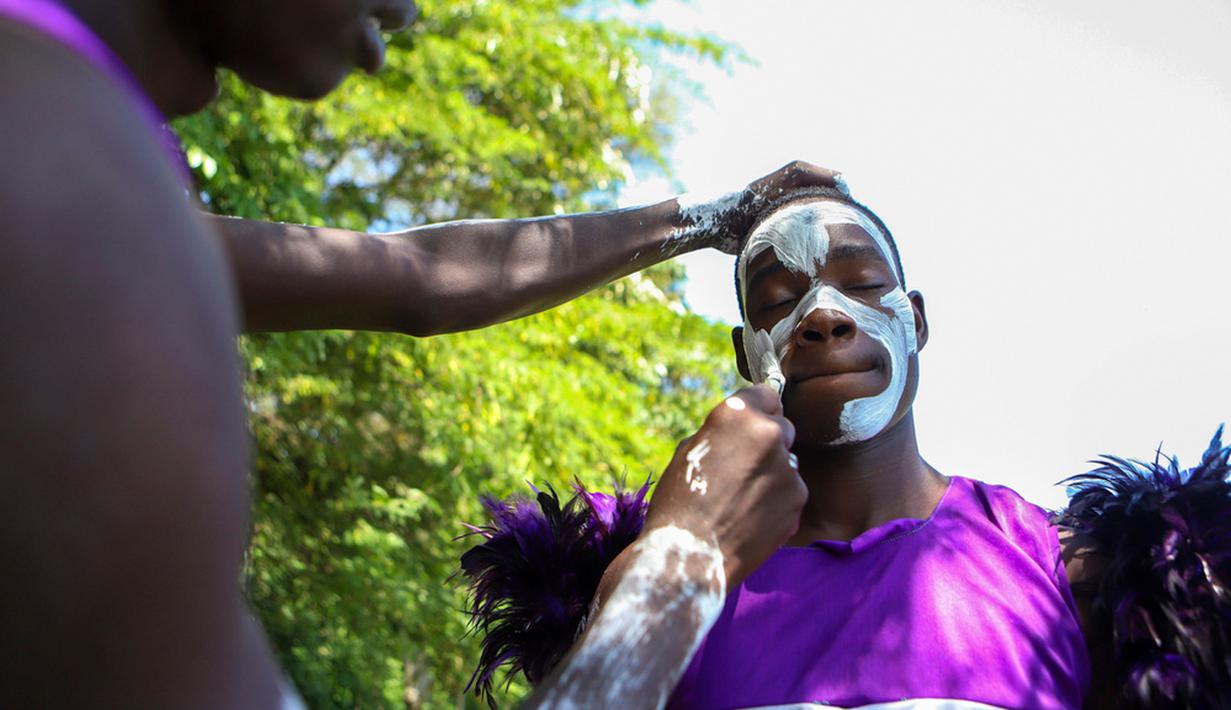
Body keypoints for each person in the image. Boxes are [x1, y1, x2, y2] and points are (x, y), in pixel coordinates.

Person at [0, 0, 839, 706]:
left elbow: (418, 279)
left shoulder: (73, 149)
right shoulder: (71, 196)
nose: (405, 13)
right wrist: (680, 563)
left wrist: (710, 217)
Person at [462, 187, 1231, 708]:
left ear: (916, 320)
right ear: (746, 352)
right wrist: (668, 567)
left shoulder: (1067, 573)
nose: (822, 316)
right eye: (778, 300)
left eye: (861, 285)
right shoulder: (663, 579)